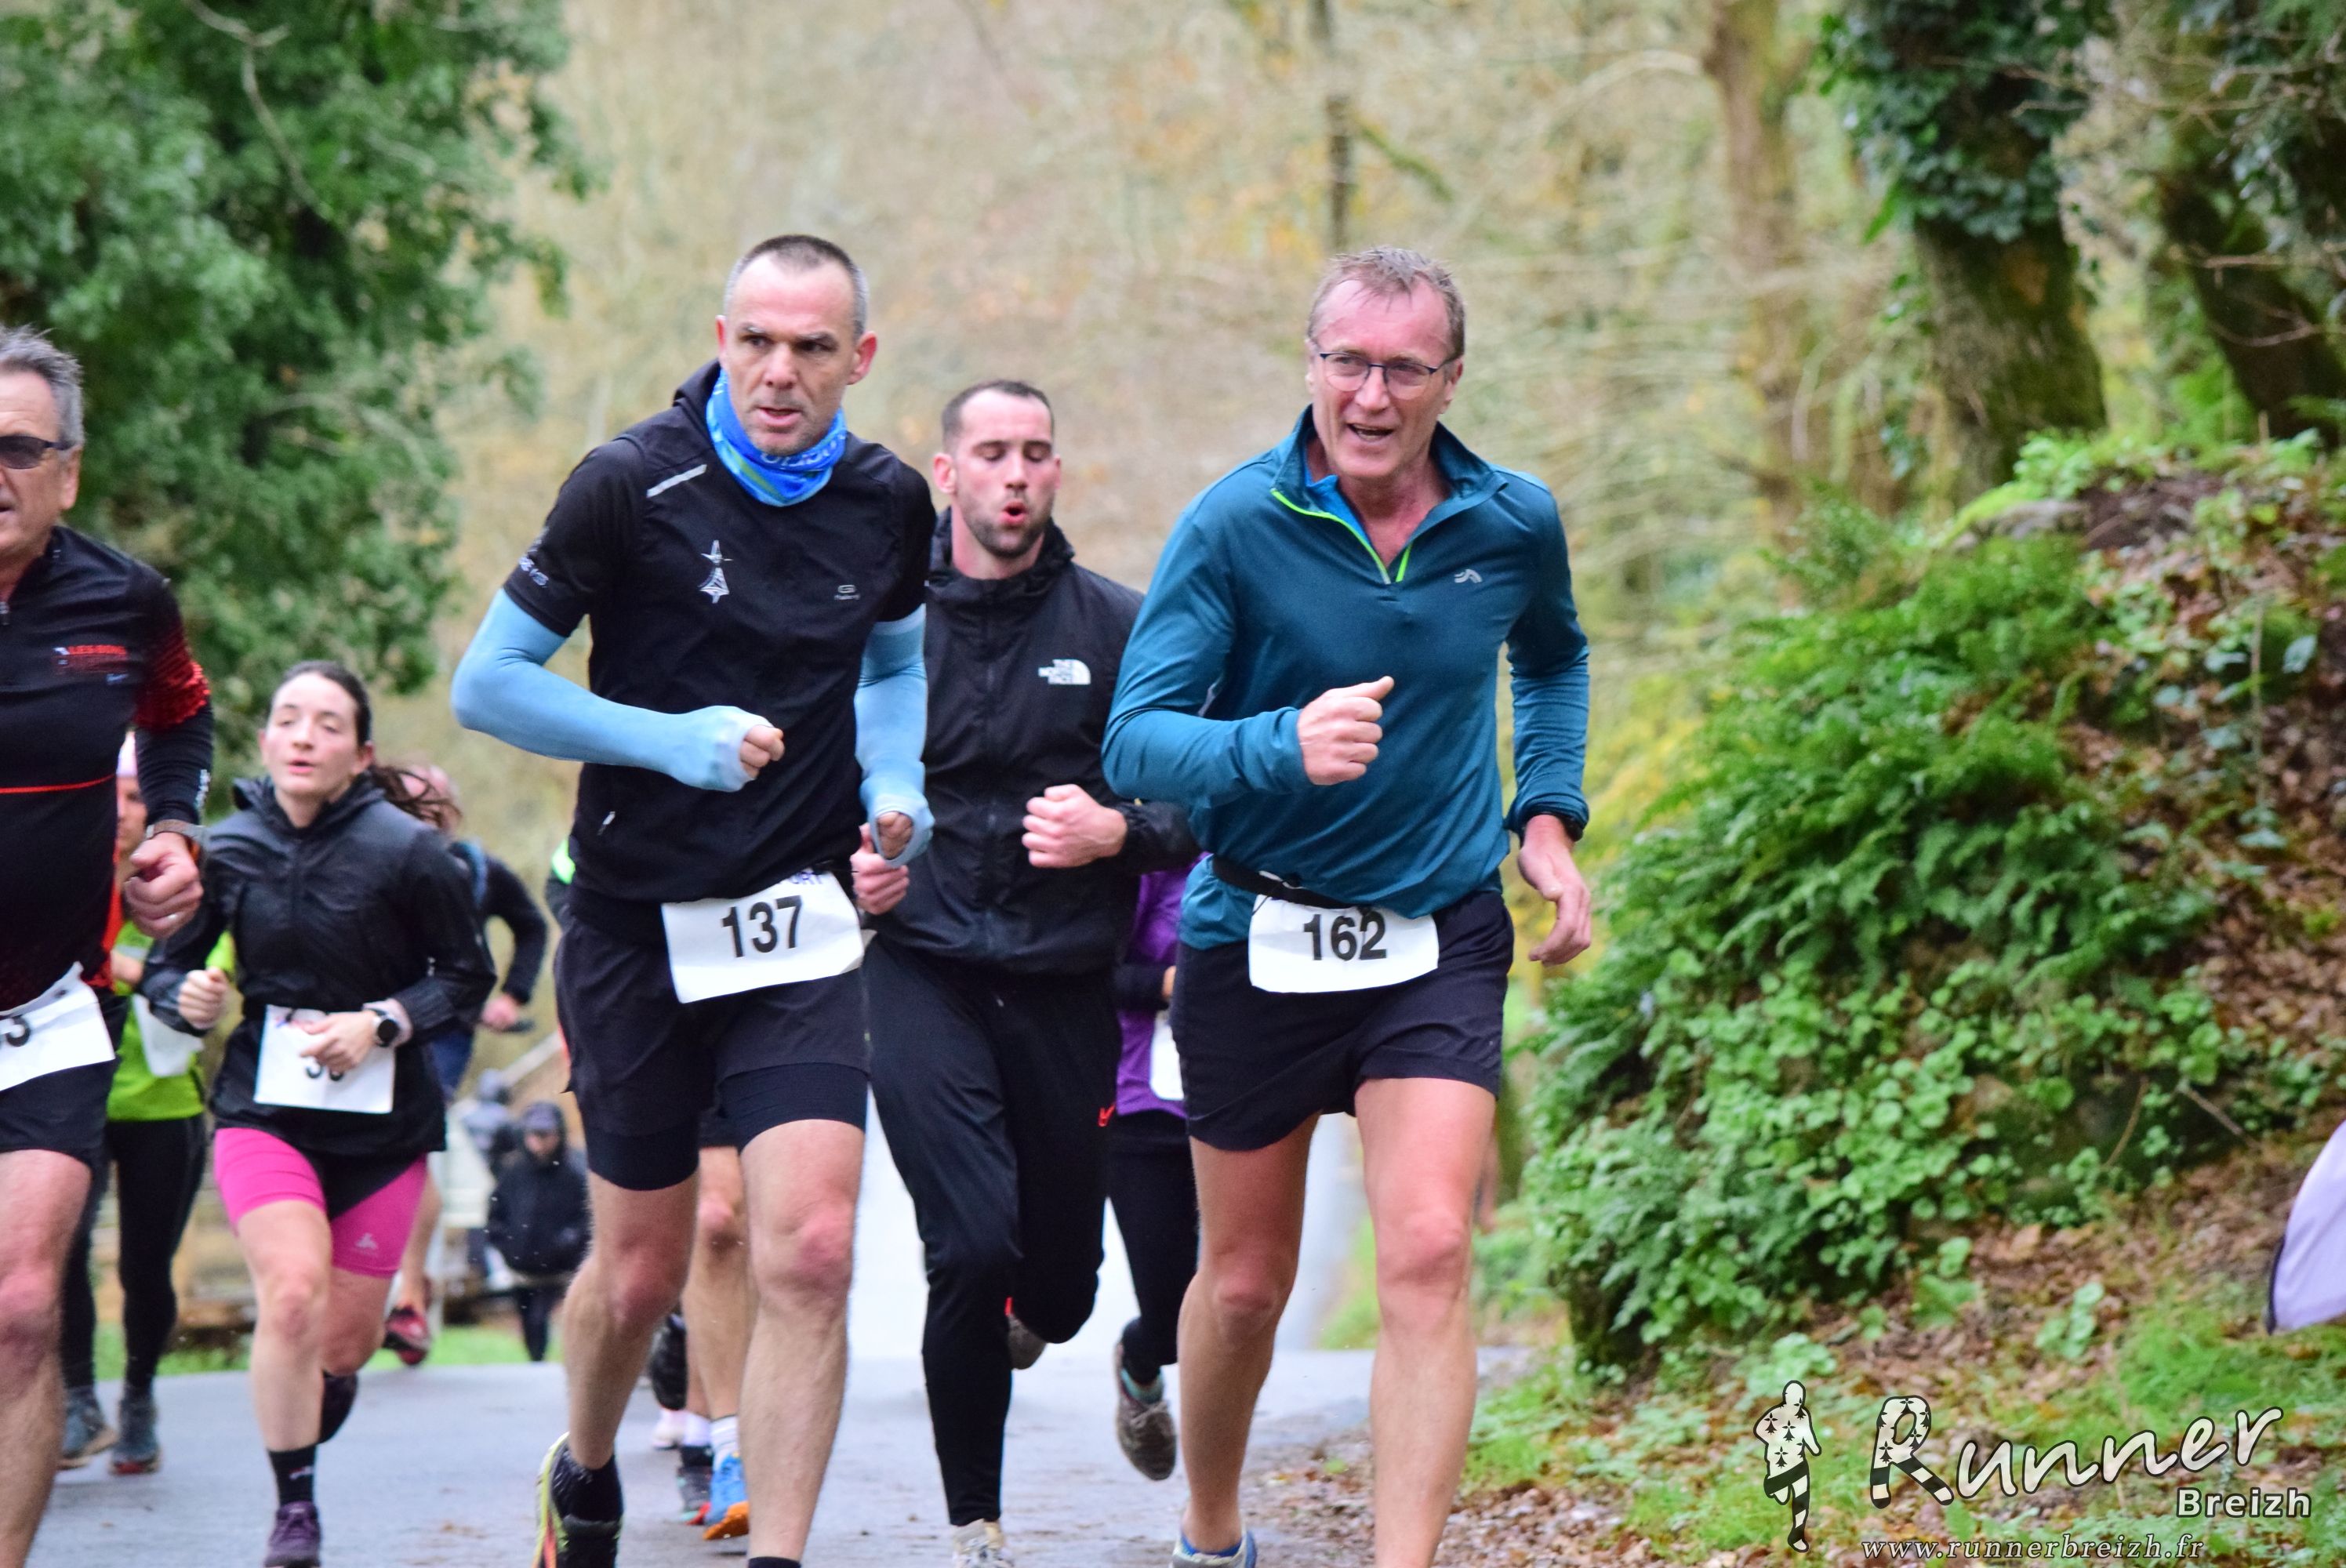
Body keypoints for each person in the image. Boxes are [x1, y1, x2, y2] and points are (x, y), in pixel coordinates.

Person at [1102, 247, 1595, 1568]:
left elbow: (1553, 659)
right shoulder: (1233, 523)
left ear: (1451, 379)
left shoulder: (1511, 521)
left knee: (1428, 1249)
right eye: (1349, 364)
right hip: (1257, 935)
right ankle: (1211, 1530)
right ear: (1311, 365)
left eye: (1404, 369)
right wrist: (1278, 744)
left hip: (1436, 930)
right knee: (1243, 1287)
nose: (1372, 396)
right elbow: (1135, 741)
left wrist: (1546, 816)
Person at [451, 232, 934, 1568]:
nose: (780, 372)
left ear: (858, 359)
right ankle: (587, 1459)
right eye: (756, 342)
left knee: (812, 1251)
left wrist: (897, 780)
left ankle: (777, 1551)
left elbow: (896, 669)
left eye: (812, 348)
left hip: (798, 923)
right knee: (639, 1273)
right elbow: (488, 685)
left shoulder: (891, 502)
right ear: (722, 340)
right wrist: (671, 741)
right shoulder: (628, 483)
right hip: (635, 931)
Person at [850, 379, 1194, 1567]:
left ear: (1056, 473)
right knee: (969, 1245)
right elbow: (806, 786)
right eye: (992, 452)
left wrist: (1116, 832)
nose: (1015, 473)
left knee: (1059, 1289)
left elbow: (1203, 800)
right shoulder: (882, 628)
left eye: (1036, 452)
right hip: (921, 971)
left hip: (1063, 984)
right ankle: (975, 1524)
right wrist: (850, 867)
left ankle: (1037, 1321)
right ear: (947, 474)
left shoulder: (1121, 627)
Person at [140, 661, 494, 1568]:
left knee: (343, 1340)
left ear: (360, 753)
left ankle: (324, 1383)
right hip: (266, 1113)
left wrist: (383, 1021)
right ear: (265, 740)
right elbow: (165, 967)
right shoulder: (226, 849)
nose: (304, 735)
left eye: (328, 723)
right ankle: (294, 1507)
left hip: (384, 1128)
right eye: (289, 718)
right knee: (292, 1293)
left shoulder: (410, 853)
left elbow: (466, 976)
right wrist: (187, 996)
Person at [0, 327, 211, 1568]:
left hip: (48, 1011)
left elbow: (181, 714)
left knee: (27, 1306)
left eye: (18, 449)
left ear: (68, 471)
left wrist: (175, 828)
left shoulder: (125, 602)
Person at [56, 739, 214, 1475]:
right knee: (61, 1254)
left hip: (162, 1105)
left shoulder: (187, 887)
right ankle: (77, 1401)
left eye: (135, 798)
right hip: (70, 1098)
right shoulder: (54, 875)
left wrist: (199, 990)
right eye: (108, 794)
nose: (120, 812)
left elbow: (206, 979)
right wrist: (139, 972)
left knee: (146, 1268)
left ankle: (141, 1397)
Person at [383, 763, 550, 1365]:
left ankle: (409, 1294)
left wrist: (514, 996)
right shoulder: (360, 858)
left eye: (433, 808)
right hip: (366, 1019)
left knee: (411, 1142)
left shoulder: (478, 870)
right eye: (407, 807)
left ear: (451, 814)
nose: (421, 819)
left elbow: (531, 928)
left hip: (444, 1028)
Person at [1105, 861, 1201, 1483]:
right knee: (1172, 1326)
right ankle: (1139, 1364)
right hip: (1147, 1109)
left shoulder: (1277, 841)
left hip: (1246, 1100)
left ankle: (1217, 1492)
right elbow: (1087, 970)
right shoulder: (1147, 854)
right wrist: (1174, 983)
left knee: (1244, 1297)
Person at [485, 1101, 590, 1361]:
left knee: (543, 1318)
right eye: (534, 1134)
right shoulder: (513, 1173)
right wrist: (507, 1245)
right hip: (521, 1269)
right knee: (529, 1324)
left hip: (560, 1271)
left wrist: (568, 1243)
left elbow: (587, 1217)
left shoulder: (575, 1173)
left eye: (546, 1134)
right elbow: (496, 1214)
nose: (540, 1142)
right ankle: (536, 1363)